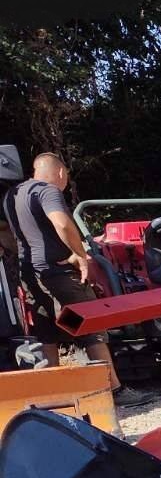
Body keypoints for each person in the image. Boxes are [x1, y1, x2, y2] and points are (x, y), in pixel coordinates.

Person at [5, 152, 147, 402]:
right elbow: (61, 223)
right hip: (60, 274)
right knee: (91, 325)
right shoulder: (46, 191)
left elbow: (6, 234)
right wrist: (79, 255)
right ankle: (113, 390)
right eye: (66, 176)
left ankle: (51, 394)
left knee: (47, 331)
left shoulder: (10, 197)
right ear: (61, 172)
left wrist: (29, 256)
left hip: (31, 274)